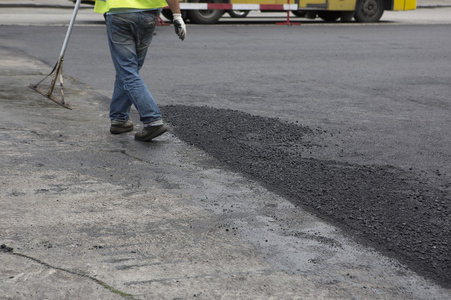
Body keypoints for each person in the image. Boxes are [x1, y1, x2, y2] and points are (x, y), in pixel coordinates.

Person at [94, 0, 186, 141]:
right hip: (148, 14)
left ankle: (152, 119)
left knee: (127, 70)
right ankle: (119, 119)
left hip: (118, 13)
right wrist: (177, 15)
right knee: (129, 70)